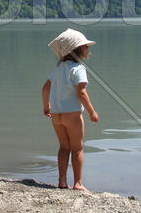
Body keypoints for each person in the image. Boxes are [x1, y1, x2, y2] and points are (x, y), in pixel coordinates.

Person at [42, 28, 99, 191]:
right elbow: (81, 93)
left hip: (57, 116)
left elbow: (45, 88)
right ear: (77, 50)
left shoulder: (58, 68)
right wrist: (91, 112)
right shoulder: (78, 69)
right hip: (72, 116)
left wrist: (46, 106)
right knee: (78, 148)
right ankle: (78, 183)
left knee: (63, 147)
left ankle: (61, 181)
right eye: (85, 46)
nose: (88, 48)